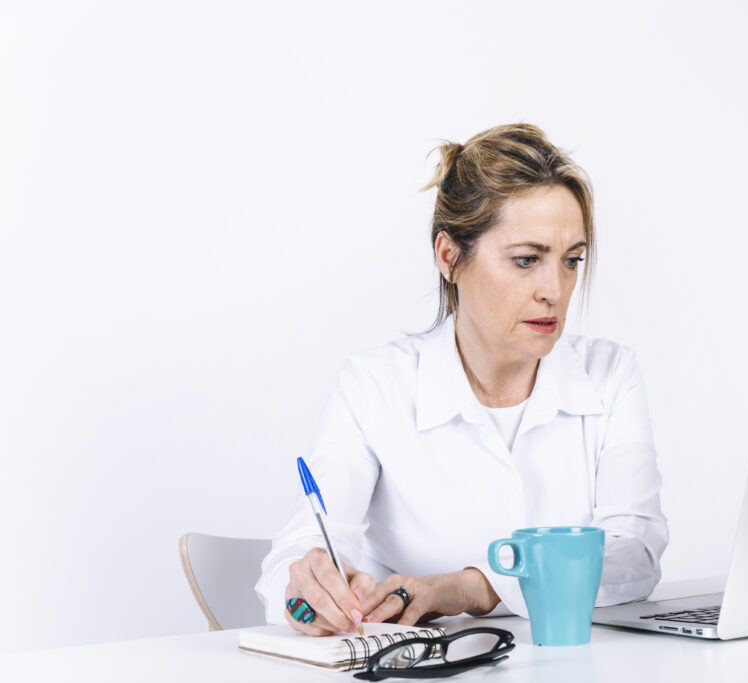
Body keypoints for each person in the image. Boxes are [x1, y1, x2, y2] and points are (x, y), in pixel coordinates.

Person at [254, 123, 669, 636]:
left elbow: (636, 555)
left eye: (571, 261)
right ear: (450, 257)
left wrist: (475, 586)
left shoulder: (610, 375)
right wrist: (305, 591)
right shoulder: (373, 385)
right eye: (526, 260)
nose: (554, 290)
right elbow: (291, 562)